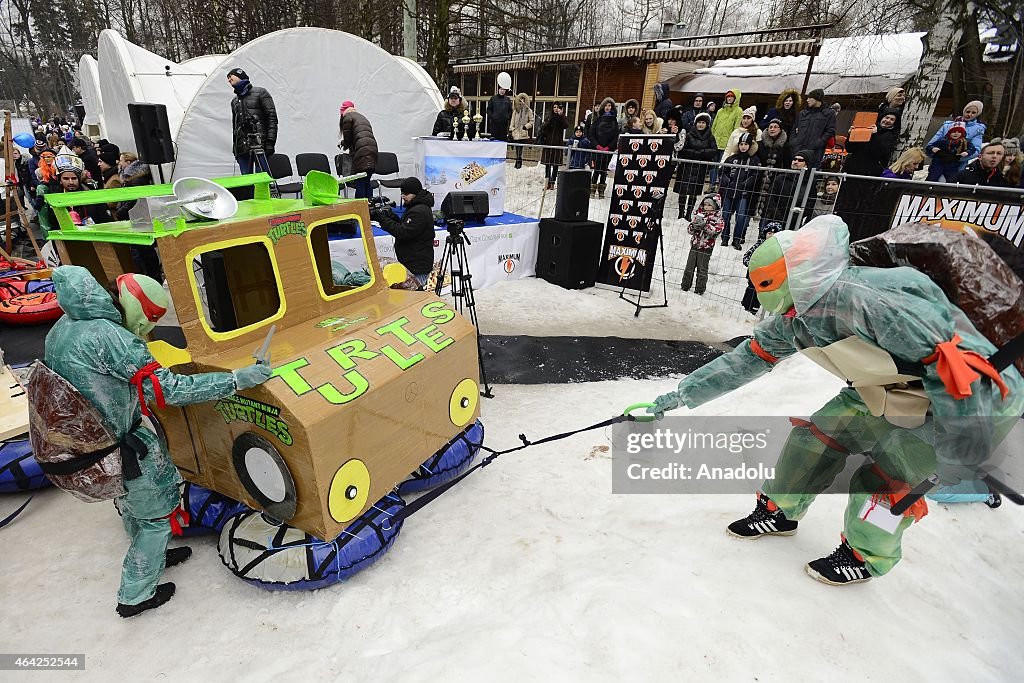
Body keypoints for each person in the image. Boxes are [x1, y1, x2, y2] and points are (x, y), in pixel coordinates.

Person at [647, 216, 1024, 585]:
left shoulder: (871, 303)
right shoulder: (798, 313)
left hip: (971, 398)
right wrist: (677, 396)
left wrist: (960, 448)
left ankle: (867, 555)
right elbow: (748, 358)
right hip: (891, 383)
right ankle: (780, 511)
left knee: (890, 477)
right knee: (814, 439)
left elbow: (957, 371)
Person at [44, 266, 272, 617]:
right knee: (154, 516)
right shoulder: (111, 337)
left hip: (89, 443)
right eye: (151, 319)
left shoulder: (65, 326)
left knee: (132, 500)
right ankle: (135, 594)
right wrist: (237, 380)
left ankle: (152, 553)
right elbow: (168, 389)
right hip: (120, 442)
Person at [370, 177, 436, 289]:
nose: (403, 196)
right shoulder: (416, 206)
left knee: (414, 298)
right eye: (402, 193)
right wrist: (391, 216)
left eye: (406, 193)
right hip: (413, 263)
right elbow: (405, 226)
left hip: (417, 267)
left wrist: (381, 219)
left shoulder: (419, 211)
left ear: (415, 193)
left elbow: (403, 232)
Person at [228, 67, 278, 174]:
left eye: (230, 76)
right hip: (242, 149)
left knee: (262, 181)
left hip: (261, 145)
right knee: (247, 182)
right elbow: (235, 127)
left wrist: (270, 142)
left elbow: (272, 118)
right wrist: (235, 149)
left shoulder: (261, 93)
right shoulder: (234, 101)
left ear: (240, 75)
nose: (229, 80)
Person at [718, 132, 761, 250]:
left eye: (746, 144)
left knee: (741, 217)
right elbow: (721, 172)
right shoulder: (731, 159)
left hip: (743, 194)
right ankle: (725, 238)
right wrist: (727, 182)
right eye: (741, 144)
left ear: (750, 146)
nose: (743, 146)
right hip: (729, 192)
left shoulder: (754, 160)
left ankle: (737, 239)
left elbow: (756, 175)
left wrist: (745, 184)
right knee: (725, 215)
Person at [675, 114, 722, 220]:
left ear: (707, 124)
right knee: (683, 191)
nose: (701, 125)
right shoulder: (688, 135)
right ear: (695, 124)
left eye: (703, 123)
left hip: (700, 169)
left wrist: (702, 152)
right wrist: (694, 153)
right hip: (686, 167)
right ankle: (681, 212)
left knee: (694, 193)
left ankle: (689, 214)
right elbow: (682, 149)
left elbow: (714, 150)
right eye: (699, 122)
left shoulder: (710, 137)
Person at [680, 193, 724, 295]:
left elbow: (715, 231)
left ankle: (699, 290)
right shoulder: (699, 215)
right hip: (695, 245)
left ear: (715, 206)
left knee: (702, 269)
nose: (706, 207)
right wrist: (694, 226)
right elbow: (689, 230)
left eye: (709, 205)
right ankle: (685, 286)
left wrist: (705, 226)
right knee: (689, 267)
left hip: (706, 248)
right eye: (705, 205)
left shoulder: (718, 219)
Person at [925, 102, 986, 171]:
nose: (969, 114)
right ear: (964, 111)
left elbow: (976, 149)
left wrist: (957, 157)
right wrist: (937, 154)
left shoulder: (978, 129)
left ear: (977, 114)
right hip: (939, 162)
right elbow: (931, 144)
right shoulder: (947, 125)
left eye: (973, 113)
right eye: (967, 111)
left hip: (957, 166)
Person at [740, 220, 784, 315]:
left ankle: (754, 309)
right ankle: (744, 307)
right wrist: (751, 264)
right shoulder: (759, 245)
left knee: (761, 293)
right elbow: (746, 256)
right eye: (769, 233)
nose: (771, 235)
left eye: (774, 233)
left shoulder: (779, 248)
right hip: (754, 274)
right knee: (750, 289)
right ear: (765, 234)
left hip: (767, 277)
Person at [338, 101, 379, 200]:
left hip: (362, 153)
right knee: (366, 181)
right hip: (372, 151)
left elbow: (348, 139)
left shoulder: (347, 117)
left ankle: (359, 209)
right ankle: (370, 208)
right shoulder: (361, 117)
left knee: (360, 182)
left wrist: (342, 143)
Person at [843, 110, 899, 177]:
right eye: (886, 117)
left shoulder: (891, 136)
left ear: (894, 123)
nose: (888, 120)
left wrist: (875, 134)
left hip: (870, 172)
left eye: (892, 119)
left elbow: (879, 151)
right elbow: (849, 148)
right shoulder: (867, 128)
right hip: (852, 168)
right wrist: (852, 135)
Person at [789, 88, 836, 168]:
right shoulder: (803, 113)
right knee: (793, 175)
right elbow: (794, 129)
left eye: (810, 98)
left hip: (815, 151)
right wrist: (794, 142)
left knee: (809, 176)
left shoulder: (829, 113)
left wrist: (819, 142)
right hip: (798, 150)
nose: (807, 100)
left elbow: (830, 130)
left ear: (817, 99)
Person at [761, 151, 809, 226]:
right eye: (794, 159)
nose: (796, 162)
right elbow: (770, 198)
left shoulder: (809, 182)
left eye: (800, 160)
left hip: (795, 221)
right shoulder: (780, 179)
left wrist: (797, 217)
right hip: (776, 218)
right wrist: (778, 216)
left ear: (806, 165)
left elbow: (809, 203)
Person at [710, 89, 743, 186]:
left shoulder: (738, 111)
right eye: (728, 96)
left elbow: (736, 127)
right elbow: (714, 126)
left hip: (727, 144)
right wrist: (711, 138)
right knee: (713, 165)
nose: (729, 98)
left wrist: (733, 142)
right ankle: (712, 184)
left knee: (724, 166)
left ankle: (721, 185)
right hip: (715, 142)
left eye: (732, 96)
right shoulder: (720, 111)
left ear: (735, 98)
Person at [588, 97, 619, 198]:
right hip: (597, 149)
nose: (607, 107)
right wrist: (597, 145)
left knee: (603, 170)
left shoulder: (614, 121)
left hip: (607, 150)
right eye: (606, 105)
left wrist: (608, 147)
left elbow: (615, 136)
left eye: (609, 105)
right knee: (597, 169)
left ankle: (601, 190)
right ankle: (592, 189)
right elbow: (591, 134)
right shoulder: (598, 119)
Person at [537, 102, 569, 190]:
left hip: (557, 144)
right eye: (554, 107)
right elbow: (544, 127)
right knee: (547, 164)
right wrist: (550, 120)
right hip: (548, 143)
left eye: (557, 107)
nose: (555, 109)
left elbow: (566, 125)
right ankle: (547, 182)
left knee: (555, 165)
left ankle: (552, 182)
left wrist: (560, 116)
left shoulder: (562, 118)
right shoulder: (549, 117)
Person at [509, 92, 534, 169]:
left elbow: (531, 121)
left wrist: (526, 127)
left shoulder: (528, 111)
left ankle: (519, 161)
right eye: (520, 101)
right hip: (516, 132)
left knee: (520, 147)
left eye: (523, 101)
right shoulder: (516, 110)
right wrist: (512, 129)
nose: (522, 102)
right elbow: (512, 121)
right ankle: (518, 160)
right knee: (517, 148)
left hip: (523, 132)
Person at [486, 74, 513, 142]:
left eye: (504, 89)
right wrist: (493, 117)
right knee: (494, 140)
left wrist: (507, 117)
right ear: (498, 89)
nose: (502, 91)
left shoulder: (507, 99)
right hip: (494, 124)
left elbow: (510, 110)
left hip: (504, 124)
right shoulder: (493, 99)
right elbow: (489, 110)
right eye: (501, 89)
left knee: (503, 140)